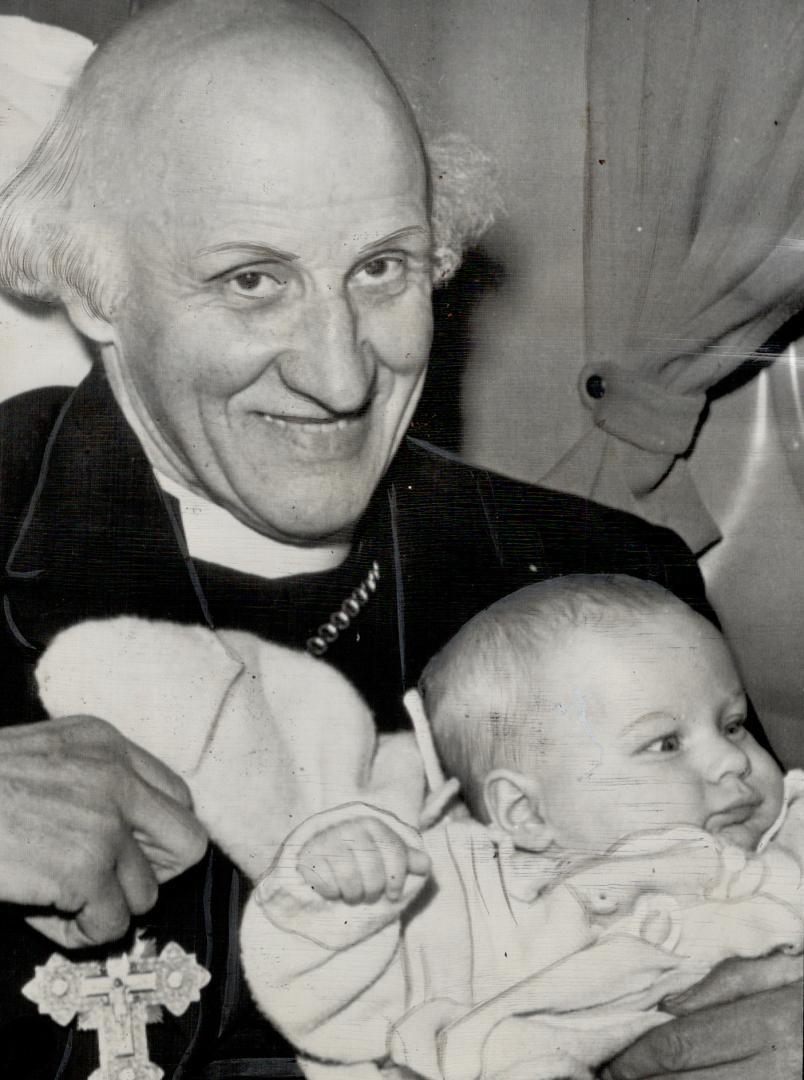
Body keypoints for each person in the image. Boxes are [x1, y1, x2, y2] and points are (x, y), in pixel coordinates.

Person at [0, 0, 796, 1076]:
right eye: (253, 281)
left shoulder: (601, 575)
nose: (341, 376)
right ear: (95, 286)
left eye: (381, 268)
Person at [239, 576, 804, 1079]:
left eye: (732, 726)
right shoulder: (483, 900)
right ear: (527, 814)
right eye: (665, 744)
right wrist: (337, 891)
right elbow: (325, 999)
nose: (732, 762)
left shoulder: (790, 839)